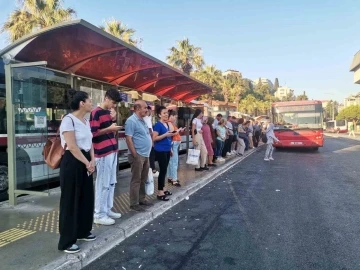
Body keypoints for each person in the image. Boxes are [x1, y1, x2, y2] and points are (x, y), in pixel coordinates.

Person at [58, 90, 95, 254]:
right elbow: (72, 146)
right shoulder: (68, 120)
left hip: (86, 159)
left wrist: (92, 160)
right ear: (82, 103)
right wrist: (87, 162)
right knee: (70, 200)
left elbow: (90, 142)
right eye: (89, 100)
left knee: (86, 197)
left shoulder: (86, 121)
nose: (91, 103)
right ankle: (66, 241)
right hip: (73, 161)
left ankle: (83, 231)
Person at [90, 89, 122, 226]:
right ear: (106, 98)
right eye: (113, 102)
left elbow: (109, 129)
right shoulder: (95, 112)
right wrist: (110, 128)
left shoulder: (108, 113)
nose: (113, 106)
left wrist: (113, 120)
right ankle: (99, 213)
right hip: (102, 152)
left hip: (112, 150)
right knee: (102, 183)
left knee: (111, 182)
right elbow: (93, 133)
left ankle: (107, 209)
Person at [125, 100, 153, 212]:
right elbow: (128, 138)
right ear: (137, 108)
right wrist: (134, 154)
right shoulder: (131, 121)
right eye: (144, 108)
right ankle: (134, 203)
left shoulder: (143, 120)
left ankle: (141, 199)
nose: (146, 110)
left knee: (143, 178)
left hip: (145, 154)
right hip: (138, 155)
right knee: (136, 179)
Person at [153, 106, 177, 201]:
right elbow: (154, 138)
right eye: (164, 113)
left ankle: (164, 188)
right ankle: (160, 192)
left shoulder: (166, 124)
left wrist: (170, 149)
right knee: (162, 171)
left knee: (164, 170)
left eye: (167, 113)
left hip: (167, 150)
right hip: (160, 150)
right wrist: (165, 135)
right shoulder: (158, 125)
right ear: (159, 115)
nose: (166, 114)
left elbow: (168, 138)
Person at [167, 110, 182, 186]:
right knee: (174, 162)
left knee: (171, 162)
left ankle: (170, 177)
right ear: (170, 116)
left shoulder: (170, 123)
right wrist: (178, 130)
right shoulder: (169, 123)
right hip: (173, 144)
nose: (175, 117)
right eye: (173, 116)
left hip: (173, 144)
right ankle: (174, 179)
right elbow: (172, 133)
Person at [143, 106, 159, 178]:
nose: (151, 112)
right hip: (149, 139)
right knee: (151, 155)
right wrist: (152, 141)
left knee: (150, 155)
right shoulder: (146, 118)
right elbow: (150, 130)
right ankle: (152, 170)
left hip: (148, 139)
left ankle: (150, 170)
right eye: (150, 110)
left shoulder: (148, 118)